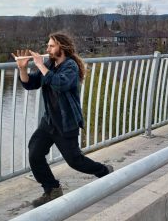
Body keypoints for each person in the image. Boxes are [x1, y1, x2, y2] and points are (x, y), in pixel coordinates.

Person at [12, 32, 114, 208]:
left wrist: (40, 66)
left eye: (51, 46)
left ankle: (104, 171)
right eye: (48, 46)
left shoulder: (70, 66)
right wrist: (22, 69)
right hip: (49, 121)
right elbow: (30, 84)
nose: (47, 49)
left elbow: (60, 84)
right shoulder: (49, 64)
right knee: (35, 153)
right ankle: (52, 189)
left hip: (66, 122)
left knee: (75, 161)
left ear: (62, 47)